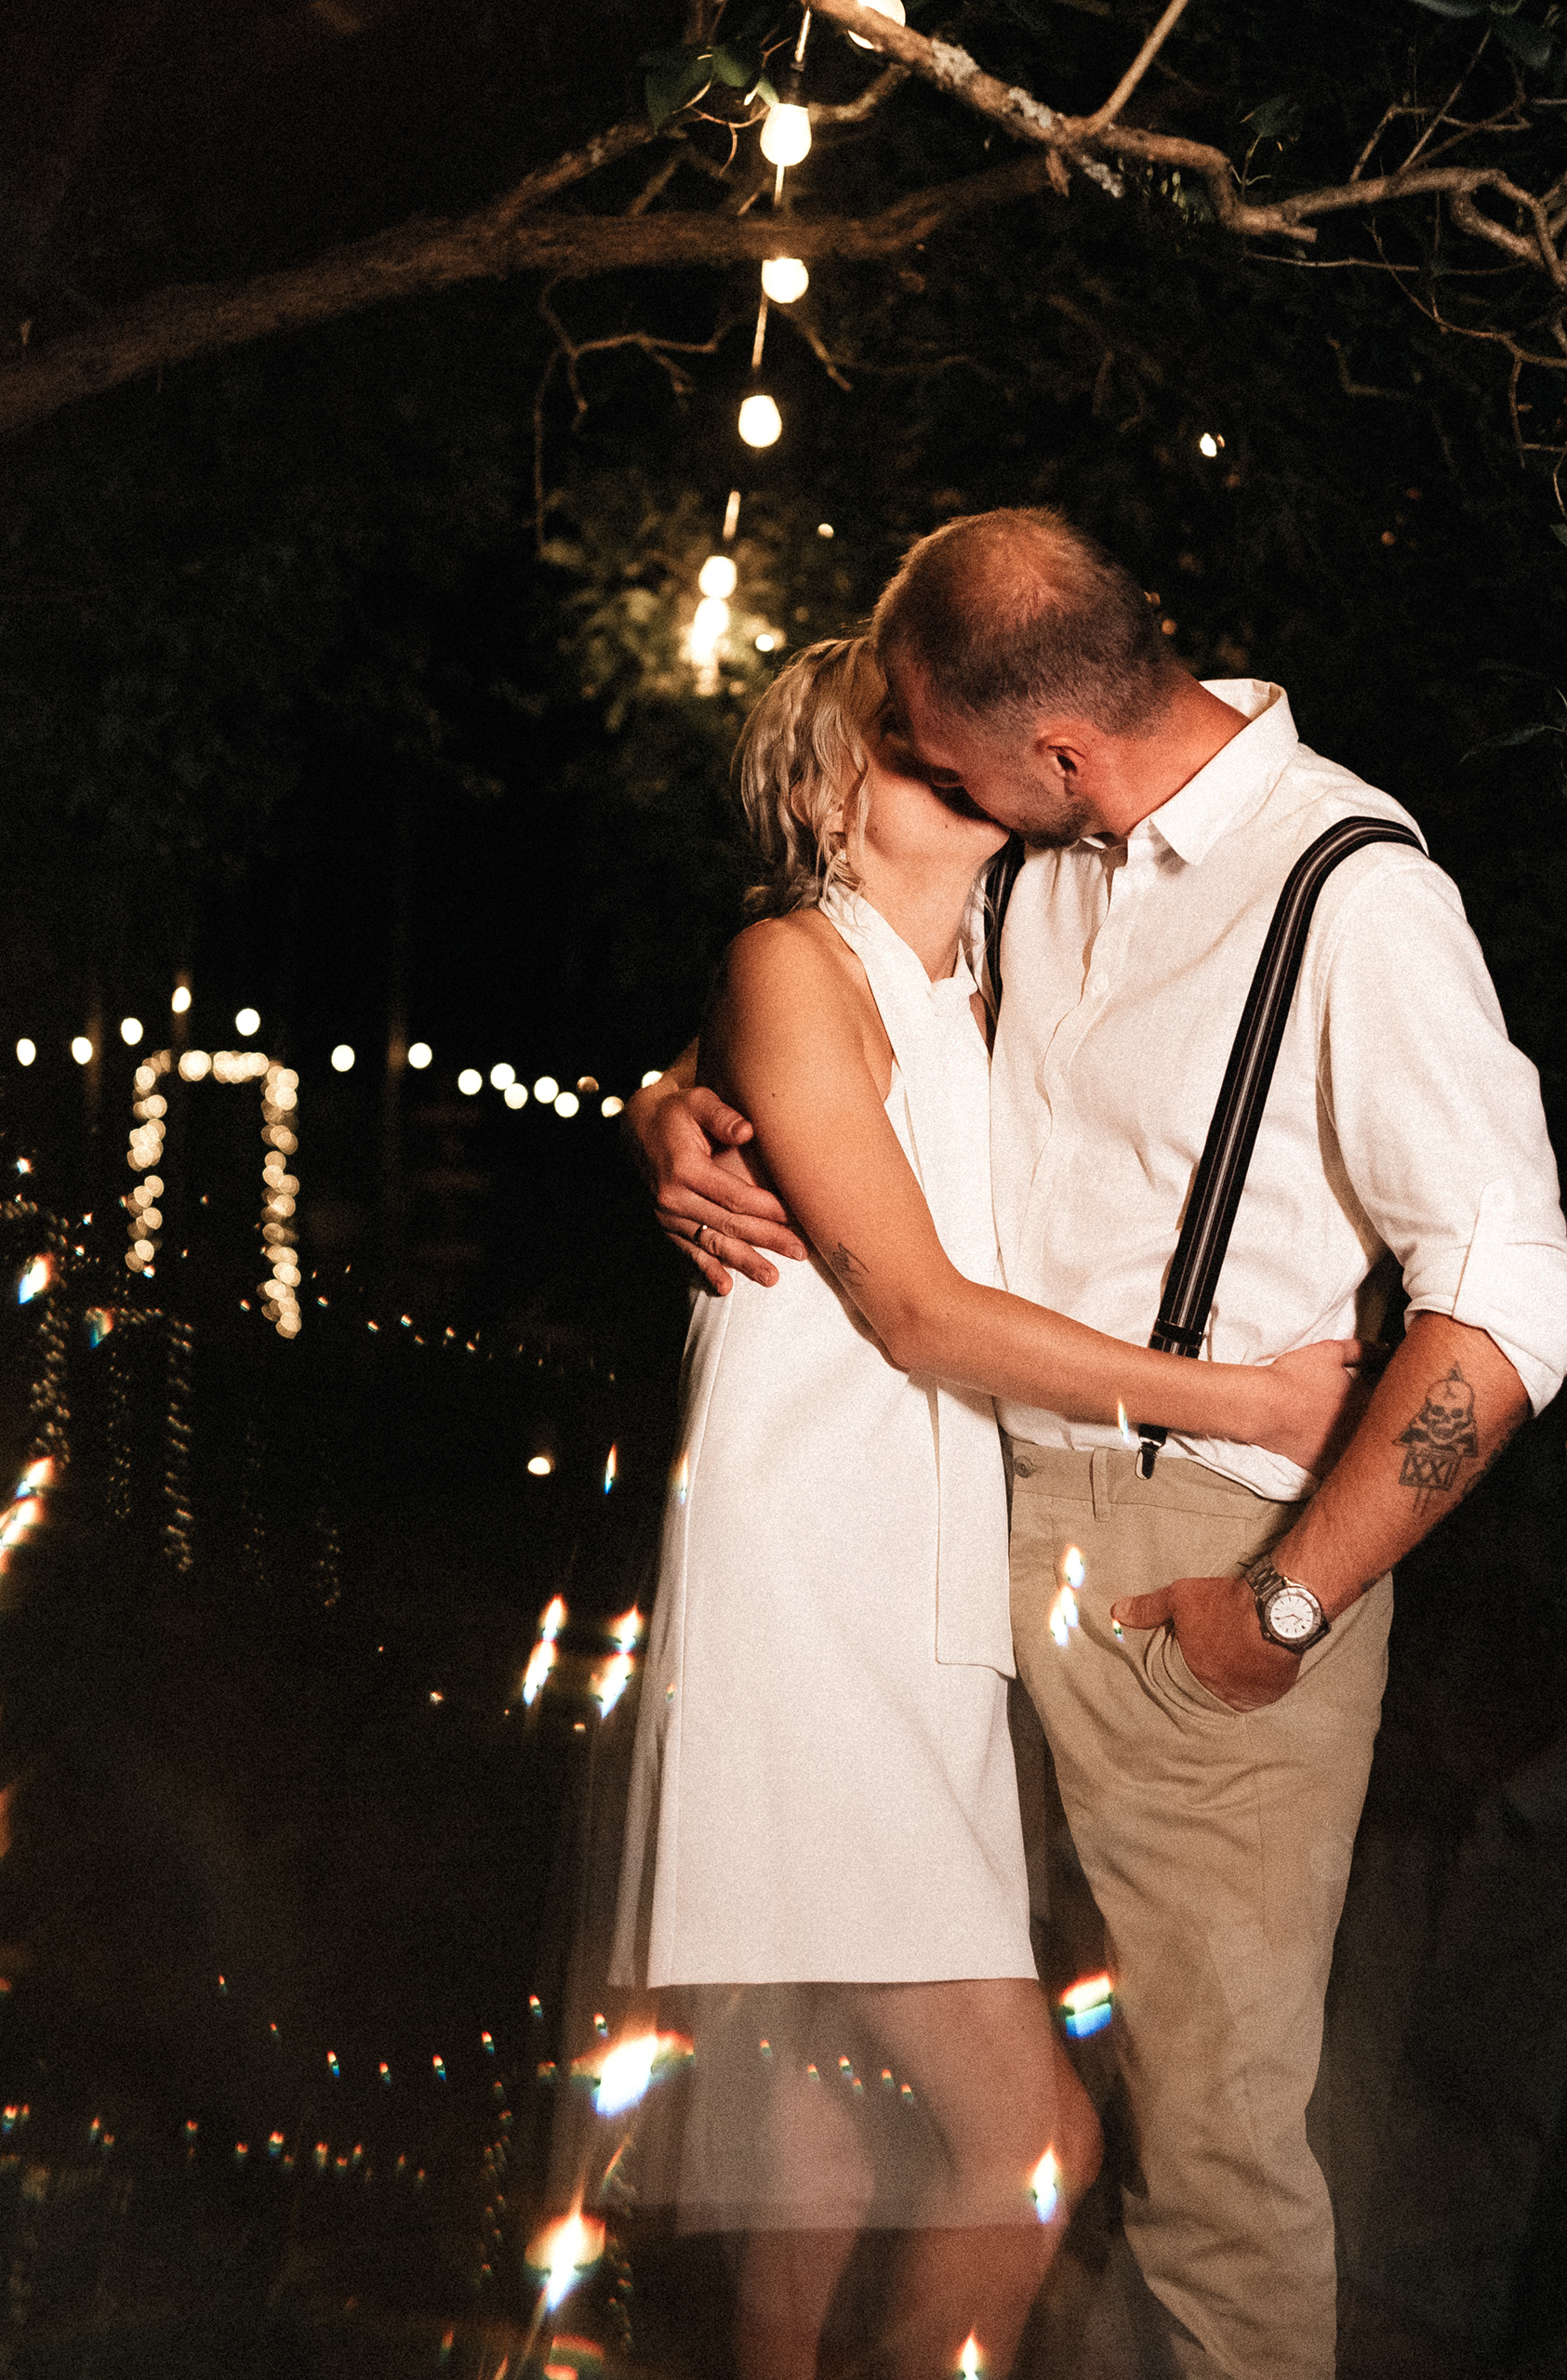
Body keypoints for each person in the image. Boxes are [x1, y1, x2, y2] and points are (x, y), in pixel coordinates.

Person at [633, 509, 1567, 2380]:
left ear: (1052, 752)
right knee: (872, 2067)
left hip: (1199, 1573)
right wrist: (662, 1108)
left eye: (943, 749)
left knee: (1204, 2145)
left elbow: (1516, 1296)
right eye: (908, 750)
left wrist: (1292, 1599)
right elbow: (811, 1015)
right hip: (945, 1543)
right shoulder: (1040, 867)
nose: (938, 772)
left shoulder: (1349, 891)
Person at [602, 634, 1371, 2380]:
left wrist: (655, 1104)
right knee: (1034, 2139)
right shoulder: (794, 960)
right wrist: (1251, 1401)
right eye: (908, 742)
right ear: (824, 793)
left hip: (917, 1571)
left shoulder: (986, 964)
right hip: (815, 1583)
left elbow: (1115, 673)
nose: (961, 759)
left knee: (813, 2129)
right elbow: (917, 1312)